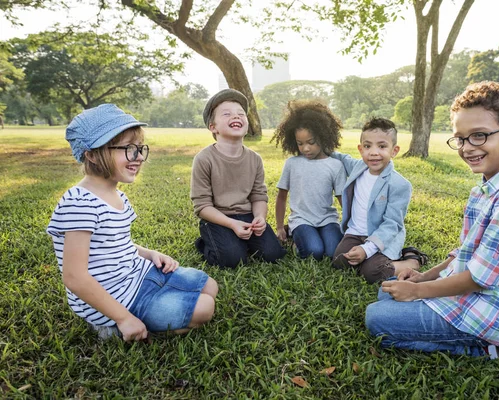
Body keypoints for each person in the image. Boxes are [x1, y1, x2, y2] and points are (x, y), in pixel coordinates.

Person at [365, 81, 499, 359]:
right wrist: (421, 278)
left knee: (376, 318)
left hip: (488, 317)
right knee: (387, 294)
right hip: (467, 297)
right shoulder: (485, 188)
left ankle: (487, 349)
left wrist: (417, 293)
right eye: (461, 138)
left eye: (479, 136)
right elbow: (464, 254)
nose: (467, 148)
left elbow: (479, 279)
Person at [47, 104, 217, 342]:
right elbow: (74, 276)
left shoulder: (117, 195)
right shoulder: (79, 203)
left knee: (210, 287)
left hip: (137, 274)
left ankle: (153, 303)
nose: (137, 157)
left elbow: (114, 244)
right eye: (127, 148)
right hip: (115, 298)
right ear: (92, 154)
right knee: (204, 308)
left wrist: (150, 253)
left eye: (139, 148)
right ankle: (115, 327)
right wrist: (123, 317)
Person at [191, 89, 286, 268]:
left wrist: (259, 218)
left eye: (241, 114)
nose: (236, 116)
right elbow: (202, 206)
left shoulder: (254, 159)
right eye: (227, 114)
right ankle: (206, 242)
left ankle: (239, 241)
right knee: (232, 260)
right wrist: (232, 224)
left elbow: (258, 195)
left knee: (273, 254)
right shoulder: (204, 159)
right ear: (213, 127)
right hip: (218, 218)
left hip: (247, 215)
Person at [331, 118, 428, 284]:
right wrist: (320, 144)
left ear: (394, 150)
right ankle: (367, 259)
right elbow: (340, 157)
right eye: (368, 146)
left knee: (372, 272)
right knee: (340, 261)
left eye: (382, 146)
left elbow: (392, 224)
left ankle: (411, 260)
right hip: (355, 233)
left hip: (382, 237)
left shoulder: (399, 184)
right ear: (360, 149)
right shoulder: (357, 167)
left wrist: (367, 249)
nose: (374, 152)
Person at [272, 100, 346, 260]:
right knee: (315, 252)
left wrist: (352, 226)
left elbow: (342, 199)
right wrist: (279, 227)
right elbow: (282, 196)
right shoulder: (292, 164)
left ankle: (310, 238)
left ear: (324, 136)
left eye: (311, 142)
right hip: (301, 220)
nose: (306, 148)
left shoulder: (335, 165)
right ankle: (295, 241)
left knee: (334, 252)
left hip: (328, 219)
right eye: (300, 143)